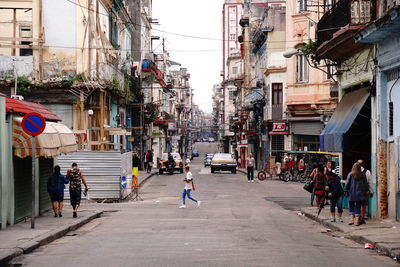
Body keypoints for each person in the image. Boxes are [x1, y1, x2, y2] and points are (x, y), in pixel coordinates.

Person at [357, 159, 373, 224]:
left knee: (358, 204)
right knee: (363, 205)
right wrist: (371, 191)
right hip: (364, 191)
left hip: (356, 190)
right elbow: (370, 183)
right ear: (363, 164)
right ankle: (363, 217)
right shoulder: (367, 172)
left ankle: (358, 217)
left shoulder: (354, 171)